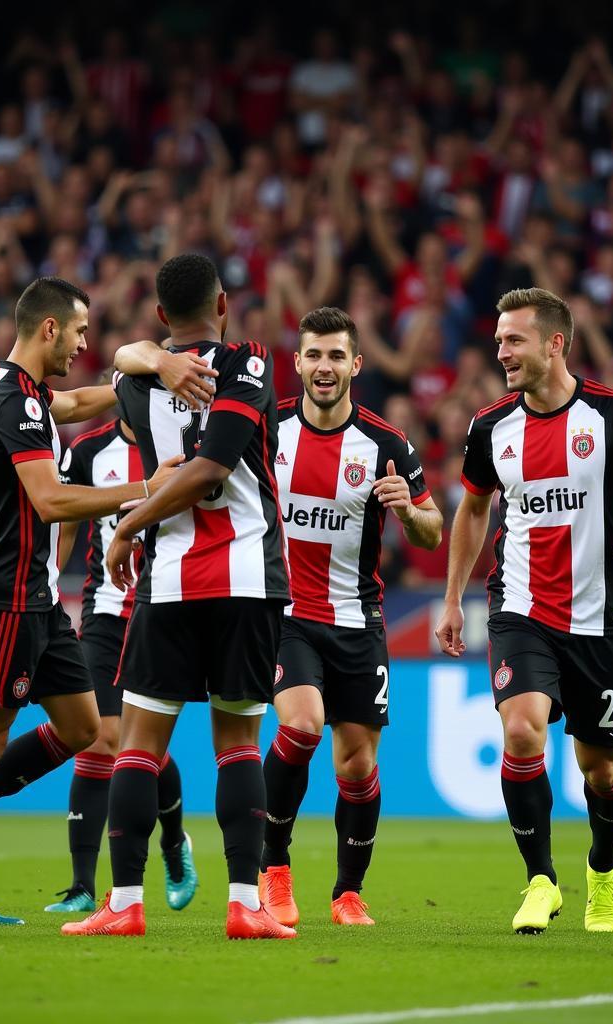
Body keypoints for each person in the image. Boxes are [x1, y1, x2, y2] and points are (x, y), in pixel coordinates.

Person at [0, 277, 181, 926]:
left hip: (33, 599)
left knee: (86, 728)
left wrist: (152, 369)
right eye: (80, 332)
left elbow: (88, 398)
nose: (86, 344)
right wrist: (145, 488)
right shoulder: (14, 403)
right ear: (49, 328)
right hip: (0, 596)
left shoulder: (11, 392)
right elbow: (52, 501)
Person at [435, 287, 613, 935]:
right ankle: (540, 881)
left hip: (602, 619)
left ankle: (602, 870)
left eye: (514, 340)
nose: (502, 352)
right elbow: (472, 509)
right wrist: (451, 599)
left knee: (601, 771)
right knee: (522, 731)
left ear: (555, 343)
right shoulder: (491, 427)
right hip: (519, 609)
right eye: (498, 341)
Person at [62, 252, 295, 940]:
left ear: (162, 315)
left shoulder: (133, 385)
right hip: (247, 580)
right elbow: (216, 463)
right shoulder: (249, 363)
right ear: (222, 306)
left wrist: (127, 526)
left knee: (138, 745)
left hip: (167, 584)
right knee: (238, 744)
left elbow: (126, 367)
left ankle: (125, 902)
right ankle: (247, 904)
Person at [258, 306, 442, 928]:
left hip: (357, 621)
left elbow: (432, 530)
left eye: (337, 356)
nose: (325, 367)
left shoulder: (386, 444)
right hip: (284, 614)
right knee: (303, 725)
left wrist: (409, 513)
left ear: (356, 364)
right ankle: (274, 870)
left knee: (357, 764)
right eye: (314, 355)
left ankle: (346, 894)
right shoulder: (267, 429)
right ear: (298, 361)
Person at [44, 416, 198, 914]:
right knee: (98, 737)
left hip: (163, 610)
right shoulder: (89, 449)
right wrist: (47, 584)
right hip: (106, 614)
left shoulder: (182, 446)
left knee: (139, 744)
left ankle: (174, 842)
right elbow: (65, 522)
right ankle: (82, 886)